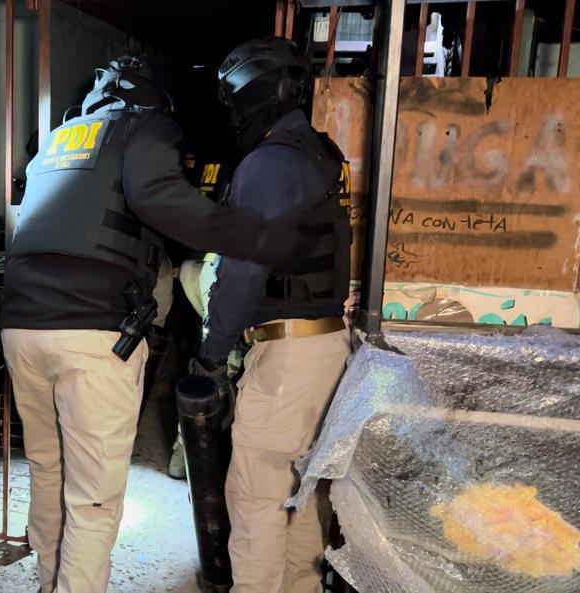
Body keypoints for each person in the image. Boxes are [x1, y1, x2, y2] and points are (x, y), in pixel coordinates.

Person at [2, 56, 303, 593]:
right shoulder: (145, 126)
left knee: (48, 470)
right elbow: (158, 199)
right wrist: (245, 234)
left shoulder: (59, 139)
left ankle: (49, 582)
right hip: (94, 333)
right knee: (93, 498)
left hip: (21, 324)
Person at [191, 38, 353, 593]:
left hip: (286, 358)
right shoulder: (322, 154)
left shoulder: (270, 162)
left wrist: (212, 356)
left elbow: (242, 271)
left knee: (256, 501)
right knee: (300, 500)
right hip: (327, 349)